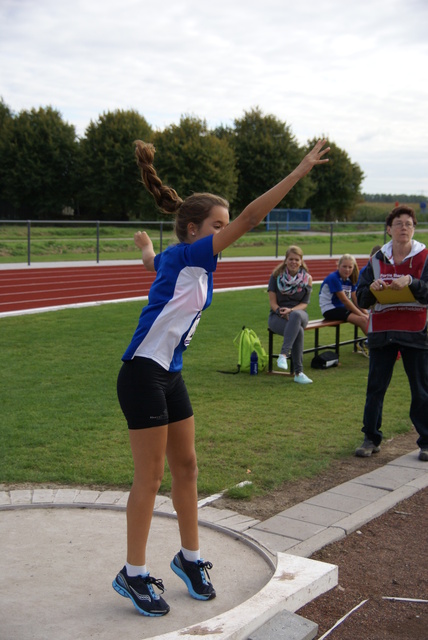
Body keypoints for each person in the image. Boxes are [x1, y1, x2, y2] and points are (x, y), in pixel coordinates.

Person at [112, 139, 330, 616]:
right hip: (142, 374)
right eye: (218, 224)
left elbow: (155, 265)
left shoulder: (178, 257)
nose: (227, 230)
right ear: (195, 230)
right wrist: (299, 170)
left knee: (186, 467)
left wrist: (146, 249)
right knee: (148, 478)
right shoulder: (193, 256)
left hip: (170, 374)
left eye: (225, 224)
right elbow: (252, 218)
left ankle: (189, 559)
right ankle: (132, 574)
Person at [355, 205, 428, 461]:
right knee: (375, 388)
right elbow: (361, 298)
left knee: (420, 389)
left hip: (415, 332)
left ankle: (426, 442)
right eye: (399, 224)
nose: (404, 228)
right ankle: (370, 437)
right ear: (389, 230)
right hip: (382, 332)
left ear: (414, 229)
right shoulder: (376, 261)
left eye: (409, 224)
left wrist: (412, 282)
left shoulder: (425, 257)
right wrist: (373, 289)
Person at [268, 245, 313, 383]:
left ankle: (283, 354)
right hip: (277, 316)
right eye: (291, 259)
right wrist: (280, 311)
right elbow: (273, 302)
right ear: (285, 260)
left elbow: (305, 303)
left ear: (301, 261)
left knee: (296, 316)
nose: (294, 262)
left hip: (299, 314)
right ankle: (299, 373)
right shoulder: (276, 277)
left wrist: (291, 311)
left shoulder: (307, 278)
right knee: (298, 330)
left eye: (297, 259)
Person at [319, 254, 369, 337]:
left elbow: (355, 299)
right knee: (362, 320)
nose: (347, 270)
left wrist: (365, 313)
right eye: (344, 266)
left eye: (350, 267)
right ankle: (374, 345)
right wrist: (361, 314)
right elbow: (345, 300)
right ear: (338, 266)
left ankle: (375, 342)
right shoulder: (333, 278)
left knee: (367, 318)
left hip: (342, 308)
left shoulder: (349, 279)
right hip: (330, 309)